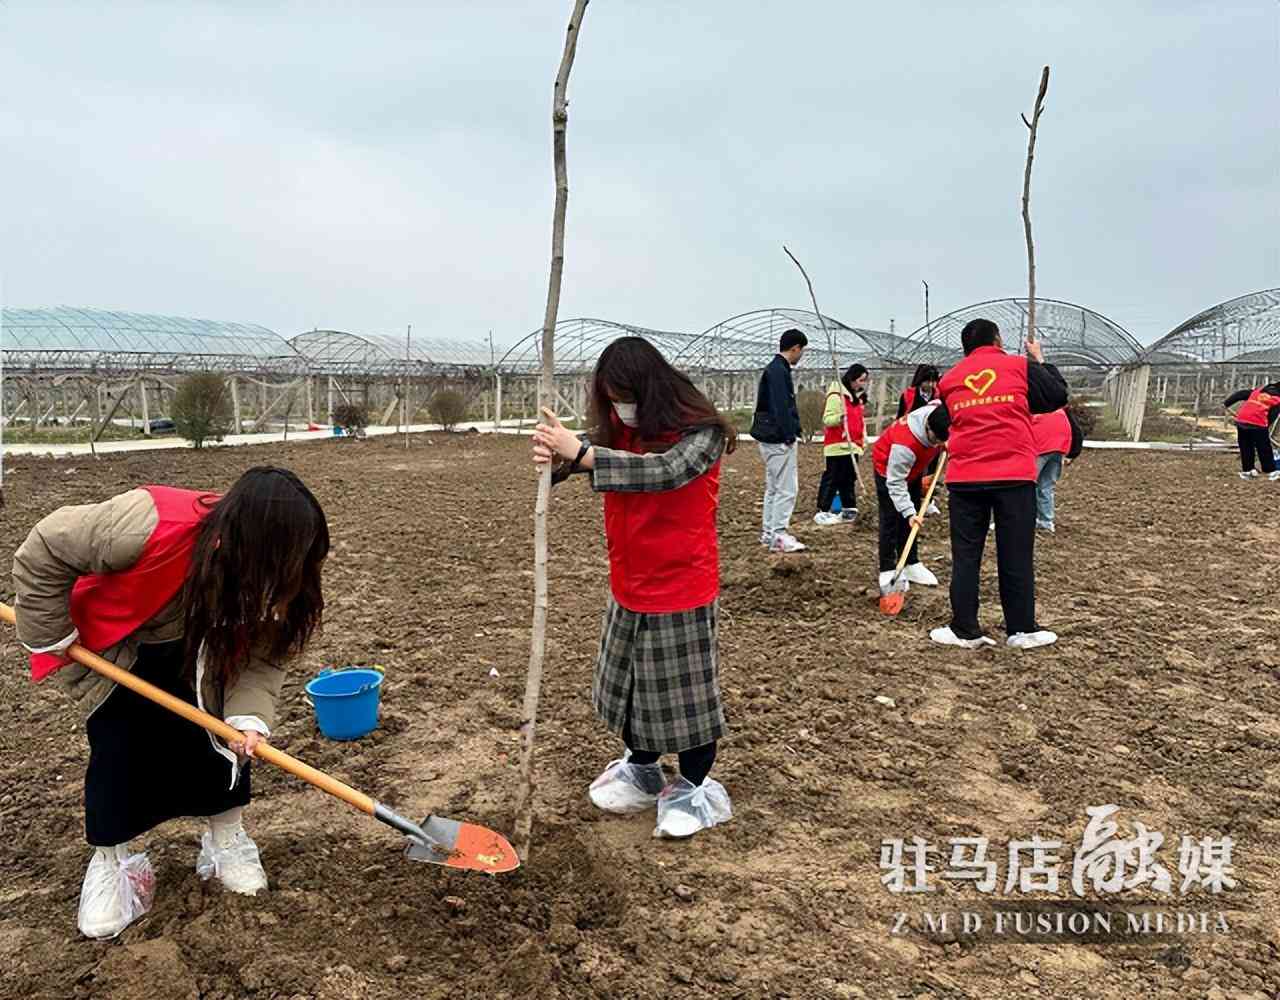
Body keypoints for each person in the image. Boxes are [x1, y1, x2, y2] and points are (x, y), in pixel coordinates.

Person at [12, 467, 329, 939]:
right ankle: (112, 863)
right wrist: (51, 633)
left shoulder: (277, 581)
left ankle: (226, 841)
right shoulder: (146, 524)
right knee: (120, 750)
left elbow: (265, 657)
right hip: (121, 648)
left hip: (205, 654)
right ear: (252, 543)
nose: (293, 574)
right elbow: (44, 547)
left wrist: (250, 719)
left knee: (220, 744)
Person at [531, 336, 735, 840]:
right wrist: (556, 456)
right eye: (611, 396)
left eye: (625, 394)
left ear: (650, 387)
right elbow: (582, 454)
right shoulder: (621, 431)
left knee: (684, 701)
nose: (619, 407)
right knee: (630, 691)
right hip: (630, 581)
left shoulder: (700, 434)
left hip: (681, 586)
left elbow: (663, 473)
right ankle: (642, 770)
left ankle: (691, 785)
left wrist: (581, 455)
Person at [929, 319, 1068, 651]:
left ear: (965, 347)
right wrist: (1039, 360)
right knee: (1015, 553)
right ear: (998, 339)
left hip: (965, 478)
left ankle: (964, 628)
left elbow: (943, 422)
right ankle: (1021, 630)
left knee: (965, 555)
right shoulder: (1018, 366)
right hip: (1013, 476)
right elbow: (1055, 396)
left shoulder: (949, 380)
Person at [873, 401, 950, 591]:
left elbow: (939, 401)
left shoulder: (937, 414)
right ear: (927, 427)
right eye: (936, 440)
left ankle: (911, 563)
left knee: (914, 514)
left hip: (914, 470)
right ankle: (888, 569)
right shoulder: (904, 446)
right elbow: (896, 483)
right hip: (888, 472)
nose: (938, 444)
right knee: (891, 518)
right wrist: (908, 512)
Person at [750, 329, 807, 552]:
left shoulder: (774, 369)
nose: (801, 355)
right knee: (786, 488)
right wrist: (789, 434)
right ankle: (779, 534)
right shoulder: (778, 371)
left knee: (773, 487)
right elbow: (781, 406)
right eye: (801, 351)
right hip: (778, 439)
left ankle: (769, 532)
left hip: (769, 438)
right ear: (795, 348)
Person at [814, 363, 867, 525]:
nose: (862, 384)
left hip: (853, 446)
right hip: (837, 446)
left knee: (849, 478)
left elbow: (860, 422)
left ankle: (849, 508)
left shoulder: (855, 400)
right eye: (861, 380)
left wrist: (862, 439)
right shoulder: (836, 397)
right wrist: (839, 419)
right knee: (833, 477)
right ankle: (823, 509)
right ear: (852, 379)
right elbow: (827, 419)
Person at [1030, 405, 1084, 532]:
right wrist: (1073, 453)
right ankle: (1046, 521)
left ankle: (1021, 520)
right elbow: (1076, 431)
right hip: (1059, 448)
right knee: (1046, 486)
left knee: (1027, 485)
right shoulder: (1060, 407)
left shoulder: (1032, 405)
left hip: (1040, 447)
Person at [897, 365, 943, 515]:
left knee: (931, 472)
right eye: (927, 381)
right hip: (914, 440)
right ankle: (911, 501)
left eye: (933, 381)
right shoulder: (908, 396)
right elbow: (901, 417)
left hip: (933, 441)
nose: (930, 385)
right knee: (913, 471)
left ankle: (928, 501)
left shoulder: (938, 396)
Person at [1223, 382, 1280, 481]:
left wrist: (1226, 403)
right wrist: (1266, 426)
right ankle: (1272, 471)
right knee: (1264, 447)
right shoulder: (1277, 399)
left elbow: (1240, 394)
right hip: (1258, 422)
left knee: (1246, 446)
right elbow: (1273, 415)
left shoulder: (1256, 392)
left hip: (1242, 420)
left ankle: (1248, 471)